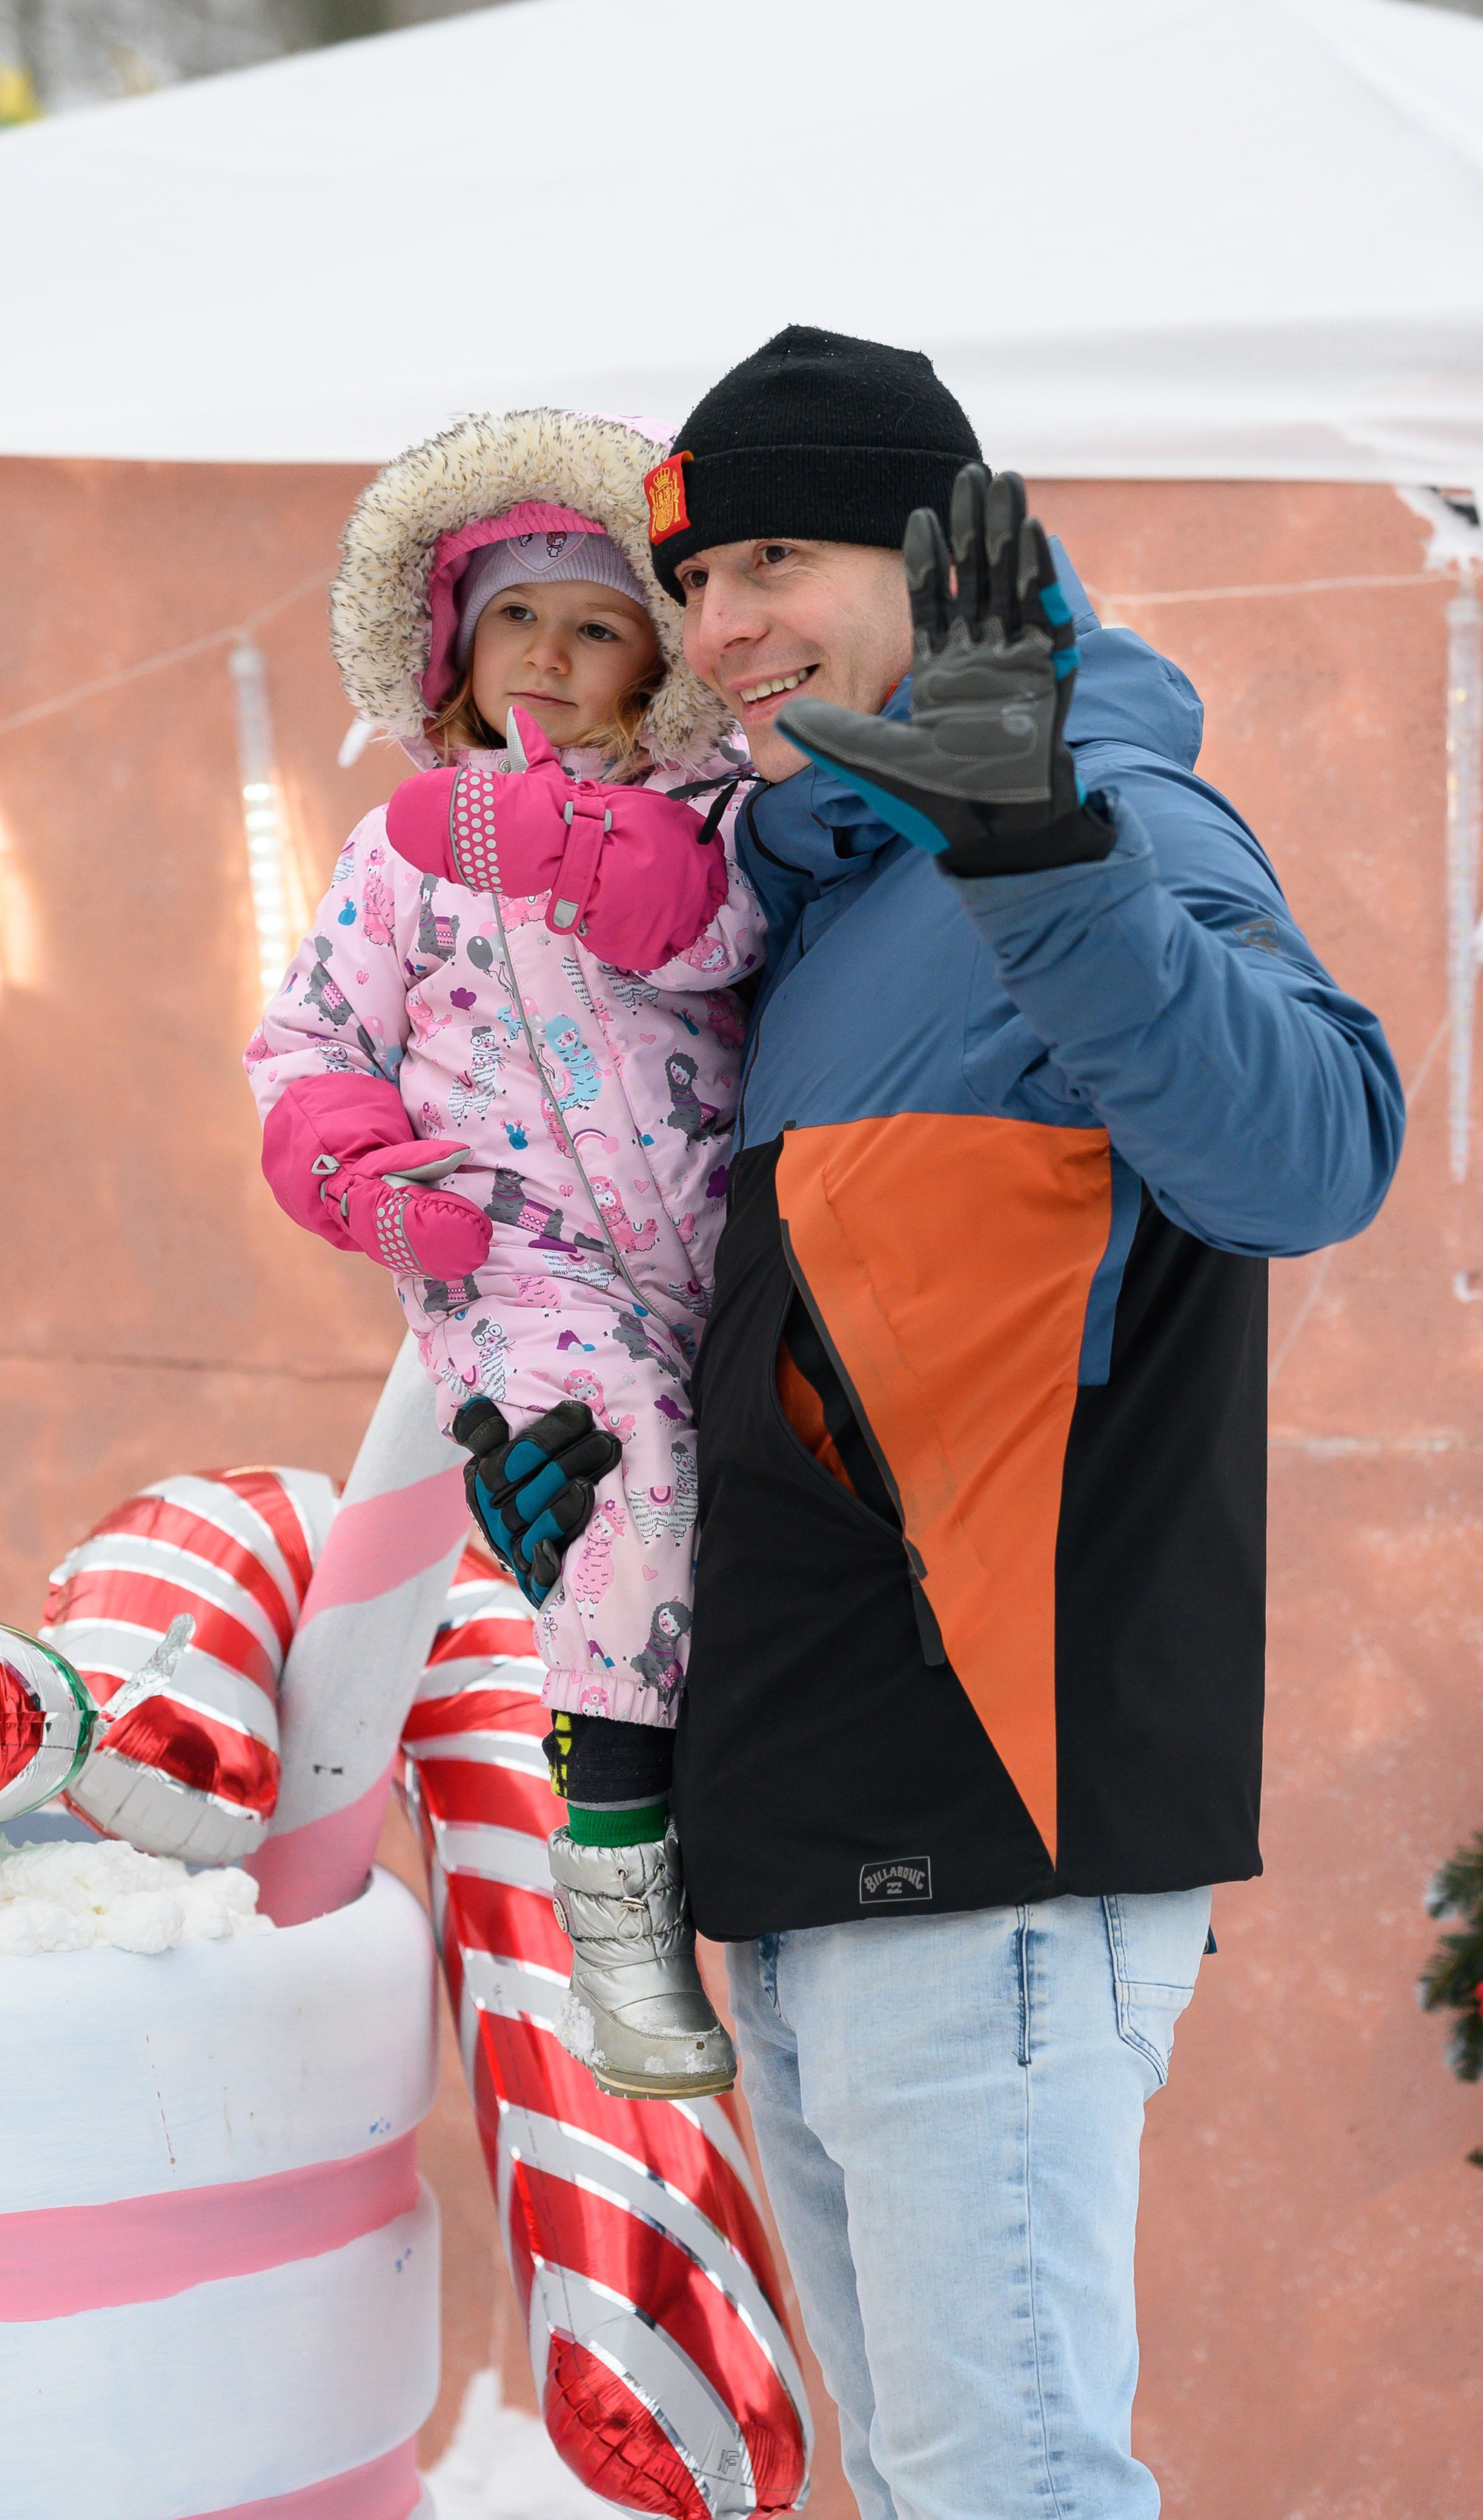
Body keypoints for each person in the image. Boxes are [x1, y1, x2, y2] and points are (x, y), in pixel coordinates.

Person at [460, 328, 1404, 2519]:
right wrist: (598, 1502)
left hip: (985, 1815)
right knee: (923, 2489)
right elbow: (854, 1343)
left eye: (776, 556)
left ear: (932, 557)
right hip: (807, 1827)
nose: (719, 632)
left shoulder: (1097, 819)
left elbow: (1313, 1158)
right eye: (693, 586)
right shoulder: (815, 909)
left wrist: (1050, 853)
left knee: (1011, 2489)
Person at [244, 408, 763, 2098]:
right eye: (515, 618)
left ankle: (717, 1851)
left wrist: (574, 850)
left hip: (711, 1253)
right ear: (454, 650)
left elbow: (717, 930)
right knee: (624, 1498)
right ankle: (615, 1913)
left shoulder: (707, 807)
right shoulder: (388, 863)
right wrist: (364, 1182)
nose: (548, 652)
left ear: (648, 665)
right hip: (516, 1270)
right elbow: (309, 1047)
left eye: (595, 623)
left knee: (716, 1547)